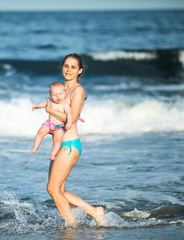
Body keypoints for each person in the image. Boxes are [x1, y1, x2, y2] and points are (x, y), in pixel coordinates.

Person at [45, 53, 106, 226]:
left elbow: (69, 121)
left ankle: (71, 226)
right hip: (61, 146)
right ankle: (94, 211)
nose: (69, 70)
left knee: (52, 188)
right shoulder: (61, 91)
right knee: (58, 190)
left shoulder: (78, 90)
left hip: (70, 145)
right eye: (66, 66)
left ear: (80, 71)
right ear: (62, 68)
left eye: (73, 67)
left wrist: (49, 110)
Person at [30, 82, 72, 160]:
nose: (57, 96)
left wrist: (69, 123)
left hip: (59, 127)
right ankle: (35, 147)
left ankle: (53, 154)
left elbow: (69, 114)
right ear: (50, 95)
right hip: (49, 124)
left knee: (58, 140)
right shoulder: (51, 102)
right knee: (40, 133)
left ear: (65, 93)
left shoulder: (65, 105)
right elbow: (44, 104)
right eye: (54, 95)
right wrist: (37, 106)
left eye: (60, 94)